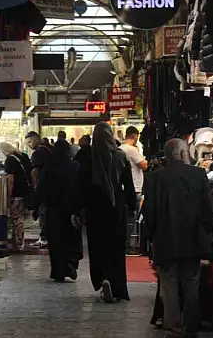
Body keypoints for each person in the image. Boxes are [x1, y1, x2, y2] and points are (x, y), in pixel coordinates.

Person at [143, 138, 213, 338]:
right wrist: (209, 233)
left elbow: (149, 212)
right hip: (192, 241)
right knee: (191, 285)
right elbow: (207, 209)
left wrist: (150, 236)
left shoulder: (155, 178)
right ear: (184, 153)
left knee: (169, 286)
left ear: (166, 155)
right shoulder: (198, 175)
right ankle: (190, 328)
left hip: (165, 242)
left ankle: (173, 327)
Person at [73, 122, 137, 303]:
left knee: (97, 246)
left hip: (94, 208)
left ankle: (102, 280)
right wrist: (132, 206)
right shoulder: (120, 156)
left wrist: (77, 210)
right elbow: (129, 185)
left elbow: (80, 187)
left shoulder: (87, 157)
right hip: (116, 207)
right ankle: (115, 283)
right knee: (115, 247)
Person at [37, 140, 82, 281]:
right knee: (72, 238)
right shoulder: (74, 166)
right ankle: (71, 262)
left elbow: (41, 187)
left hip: (53, 208)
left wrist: (36, 206)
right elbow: (80, 187)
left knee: (56, 240)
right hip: (71, 208)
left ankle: (58, 270)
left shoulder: (49, 167)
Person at [0, 142, 33, 252]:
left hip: (16, 194)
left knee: (17, 219)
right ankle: (17, 243)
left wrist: (8, 196)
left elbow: (11, 180)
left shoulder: (10, 161)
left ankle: (18, 243)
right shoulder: (20, 157)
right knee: (18, 219)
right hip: (23, 192)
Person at [26, 131, 51, 248]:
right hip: (52, 186)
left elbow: (35, 172)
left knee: (43, 211)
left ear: (36, 139)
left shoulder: (38, 153)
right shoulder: (49, 149)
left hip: (43, 186)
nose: (29, 145)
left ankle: (44, 238)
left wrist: (35, 187)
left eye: (30, 142)